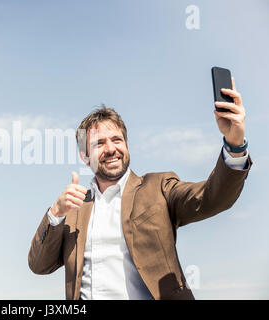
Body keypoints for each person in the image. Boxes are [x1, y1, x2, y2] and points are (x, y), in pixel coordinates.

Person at [28, 77, 252, 300]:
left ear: (126, 145)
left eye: (117, 140)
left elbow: (213, 197)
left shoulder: (158, 188)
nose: (111, 149)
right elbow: (39, 265)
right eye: (99, 143)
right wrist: (55, 214)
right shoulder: (74, 209)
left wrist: (234, 145)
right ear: (85, 157)